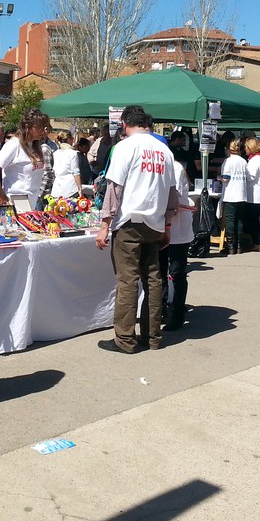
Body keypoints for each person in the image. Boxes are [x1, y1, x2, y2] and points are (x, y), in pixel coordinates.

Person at [95, 105, 178, 354]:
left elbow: (114, 189)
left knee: (128, 280)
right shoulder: (164, 150)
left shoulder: (125, 147)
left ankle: (125, 339)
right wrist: (167, 225)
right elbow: (171, 194)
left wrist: (104, 225)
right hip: (154, 222)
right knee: (153, 279)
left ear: (124, 123)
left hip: (130, 222)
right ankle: (152, 336)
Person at [0, 108, 51, 212]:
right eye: (39, 127)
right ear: (27, 127)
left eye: (44, 127)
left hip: (32, 202)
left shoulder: (36, 146)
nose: (42, 131)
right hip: (16, 202)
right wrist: (1, 195)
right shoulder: (14, 145)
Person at [162, 152, 195, 331]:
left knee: (177, 272)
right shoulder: (163, 166)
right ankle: (161, 308)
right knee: (160, 272)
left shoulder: (174, 167)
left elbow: (173, 197)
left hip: (177, 228)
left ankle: (177, 313)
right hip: (162, 226)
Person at [219, 138, 250, 255]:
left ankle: (231, 246)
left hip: (230, 194)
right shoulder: (243, 161)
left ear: (228, 149)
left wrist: (219, 178)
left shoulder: (227, 161)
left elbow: (226, 178)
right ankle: (239, 245)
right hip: (242, 194)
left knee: (230, 220)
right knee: (239, 220)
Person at [243, 136, 260, 252]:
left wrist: (242, 174)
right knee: (257, 220)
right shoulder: (257, 159)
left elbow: (251, 177)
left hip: (255, 195)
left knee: (255, 221)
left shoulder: (255, 160)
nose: (245, 149)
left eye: (246, 147)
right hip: (257, 194)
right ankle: (258, 242)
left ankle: (258, 243)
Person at [50, 130, 83, 198]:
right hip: (70, 189)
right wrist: (80, 188)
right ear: (69, 139)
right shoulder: (73, 153)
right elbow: (76, 172)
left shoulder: (55, 153)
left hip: (57, 189)